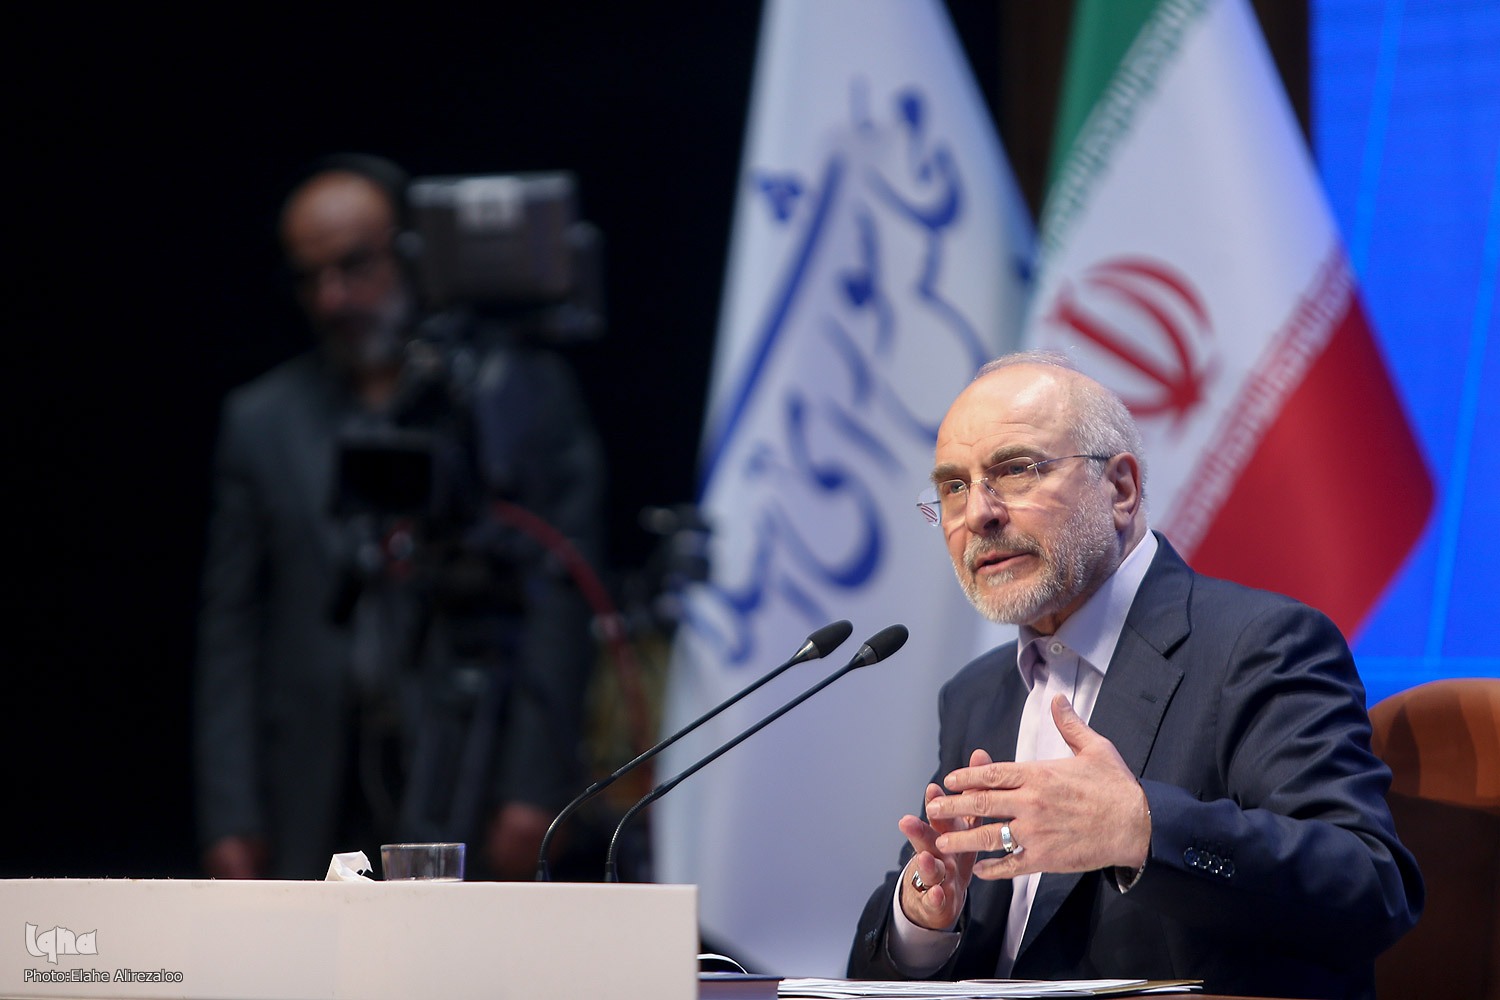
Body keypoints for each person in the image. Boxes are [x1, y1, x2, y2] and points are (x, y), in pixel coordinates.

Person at [847, 351, 1422, 999]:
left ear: (1119, 489)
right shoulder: (976, 695)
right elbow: (891, 959)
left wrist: (1143, 829)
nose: (978, 513)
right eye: (954, 487)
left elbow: (1370, 886)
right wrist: (924, 921)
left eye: (1016, 470)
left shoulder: (1261, 645)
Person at [194, 155, 603, 881]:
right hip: (313, 784)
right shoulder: (262, 420)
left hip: (473, 767)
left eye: (354, 264)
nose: (334, 297)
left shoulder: (516, 396)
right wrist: (230, 813)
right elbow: (232, 627)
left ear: (412, 253)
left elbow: (562, 604)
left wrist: (536, 788)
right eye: (309, 277)